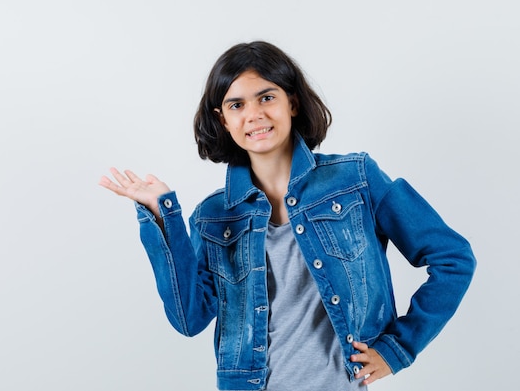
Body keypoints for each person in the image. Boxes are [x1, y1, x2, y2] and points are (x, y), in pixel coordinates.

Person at [99, 41, 476, 390]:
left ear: (292, 103)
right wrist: (162, 218)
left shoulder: (356, 179)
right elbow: (188, 319)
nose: (254, 115)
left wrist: (397, 349)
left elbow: (452, 257)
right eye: (236, 105)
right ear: (223, 120)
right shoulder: (213, 217)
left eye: (266, 97)